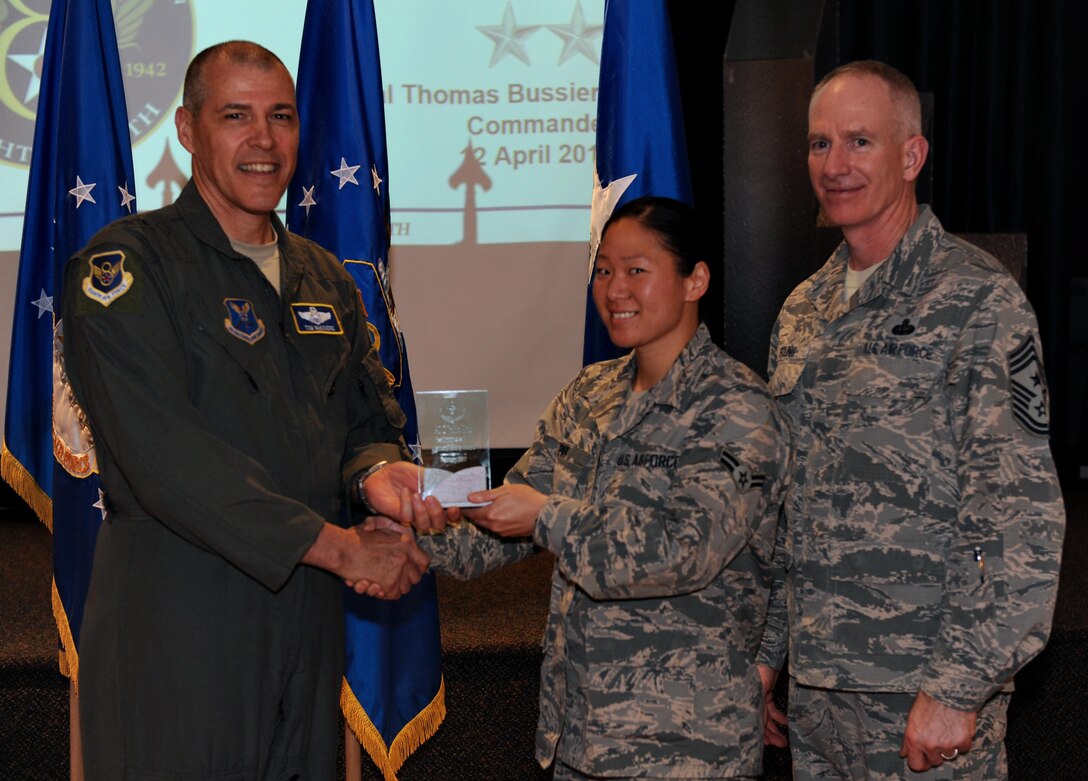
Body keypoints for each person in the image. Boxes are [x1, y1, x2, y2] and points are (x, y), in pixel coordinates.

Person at [60, 41, 444, 779]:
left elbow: (366, 424)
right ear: (186, 128)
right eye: (236, 115)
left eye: (281, 117)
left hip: (305, 626)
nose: (264, 140)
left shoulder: (323, 275)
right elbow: (168, 463)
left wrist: (379, 480)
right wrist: (344, 548)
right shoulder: (125, 271)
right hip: (180, 632)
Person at [756, 60, 1065, 779]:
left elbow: (1018, 516)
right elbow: (783, 508)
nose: (835, 165)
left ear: (911, 153)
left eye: (860, 141)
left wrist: (960, 685)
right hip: (820, 698)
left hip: (923, 699)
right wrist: (768, 656)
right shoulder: (803, 309)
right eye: (819, 144)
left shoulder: (978, 301)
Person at [410, 197, 788, 779]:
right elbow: (503, 523)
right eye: (604, 269)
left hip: (686, 749)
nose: (615, 289)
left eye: (637, 270)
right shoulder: (589, 394)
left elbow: (682, 552)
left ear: (696, 280)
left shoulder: (737, 408)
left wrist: (544, 517)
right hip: (577, 740)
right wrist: (412, 524)